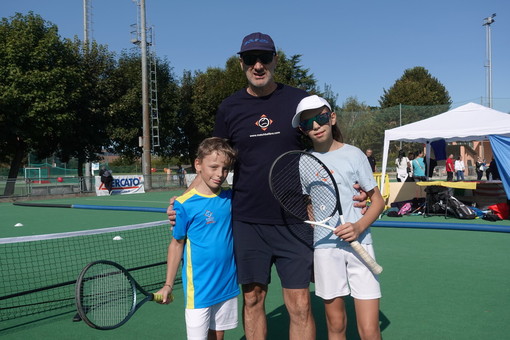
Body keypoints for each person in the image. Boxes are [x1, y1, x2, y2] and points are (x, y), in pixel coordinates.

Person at [167, 32, 368, 340]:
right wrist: (184, 200)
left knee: (300, 304)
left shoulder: (299, 100)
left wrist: (354, 185)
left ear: (275, 60)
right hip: (248, 221)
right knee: (252, 298)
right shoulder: (229, 108)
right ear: (241, 63)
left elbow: (327, 143)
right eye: (250, 59)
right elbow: (214, 158)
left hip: (295, 220)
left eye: (264, 58)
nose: (257, 65)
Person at [292, 95, 384, 339]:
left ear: (332, 118)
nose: (316, 126)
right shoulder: (303, 161)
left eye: (321, 118)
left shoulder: (355, 155)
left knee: (370, 329)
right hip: (324, 249)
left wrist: (359, 226)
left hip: (360, 244)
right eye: (307, 123)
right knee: (336, 327)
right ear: (303, 129)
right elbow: (309, 205)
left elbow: (378, 201)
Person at [156, 137, 239, 340]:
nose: (219, 174)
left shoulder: (230, 197)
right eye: (213, 167)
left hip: (227, 283)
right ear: (198, 164)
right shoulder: (183, 204)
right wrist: (168, 284)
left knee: (218, 336)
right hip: (199, 289)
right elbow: (176, 245)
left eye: (225, 168)